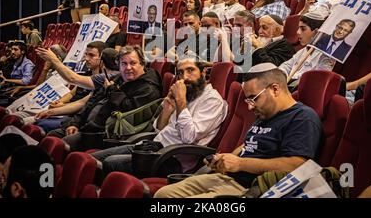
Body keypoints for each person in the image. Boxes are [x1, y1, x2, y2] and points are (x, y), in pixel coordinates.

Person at [154, 63, 322, 198]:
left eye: (253, 98)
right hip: (229, 178)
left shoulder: (302, 117)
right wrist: (226, 159)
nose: (249, 106)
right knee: (163, 194)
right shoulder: (265, 113)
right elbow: (249, 145)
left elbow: (297, 164)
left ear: (275, 89)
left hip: (252, 188)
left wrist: (240, 164)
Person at [91, 58, 228, 176]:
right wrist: (168, 109)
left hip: (171, 159)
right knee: (92, 159)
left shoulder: (212, 100)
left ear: (203, 73)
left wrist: (180, 101)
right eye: (180, 72)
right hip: (154, 148)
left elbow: (189, 137)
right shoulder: (189, 94)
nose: (184, 77)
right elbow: (159, 129)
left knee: (110, 163)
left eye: (190, 70)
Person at [46, 46, 162, 151]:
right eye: (124, 64)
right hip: (86, 126)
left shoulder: (148, 88)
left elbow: (129, 112)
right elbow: (92, 102)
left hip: (106, 134)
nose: (128, 68)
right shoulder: (119, 79)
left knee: (63, 144)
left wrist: (113, 91)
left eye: (133, 63)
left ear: (142, 64)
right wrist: (75, 124)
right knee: (52, 135)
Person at [279, 12, 335, 90]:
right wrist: (281, 76)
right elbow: (286, 66)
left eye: (303, 29)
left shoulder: (326, 55)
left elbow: (319, 80)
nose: (297, 32)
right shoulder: (303, 51)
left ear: (316, 32)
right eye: (298, 28)